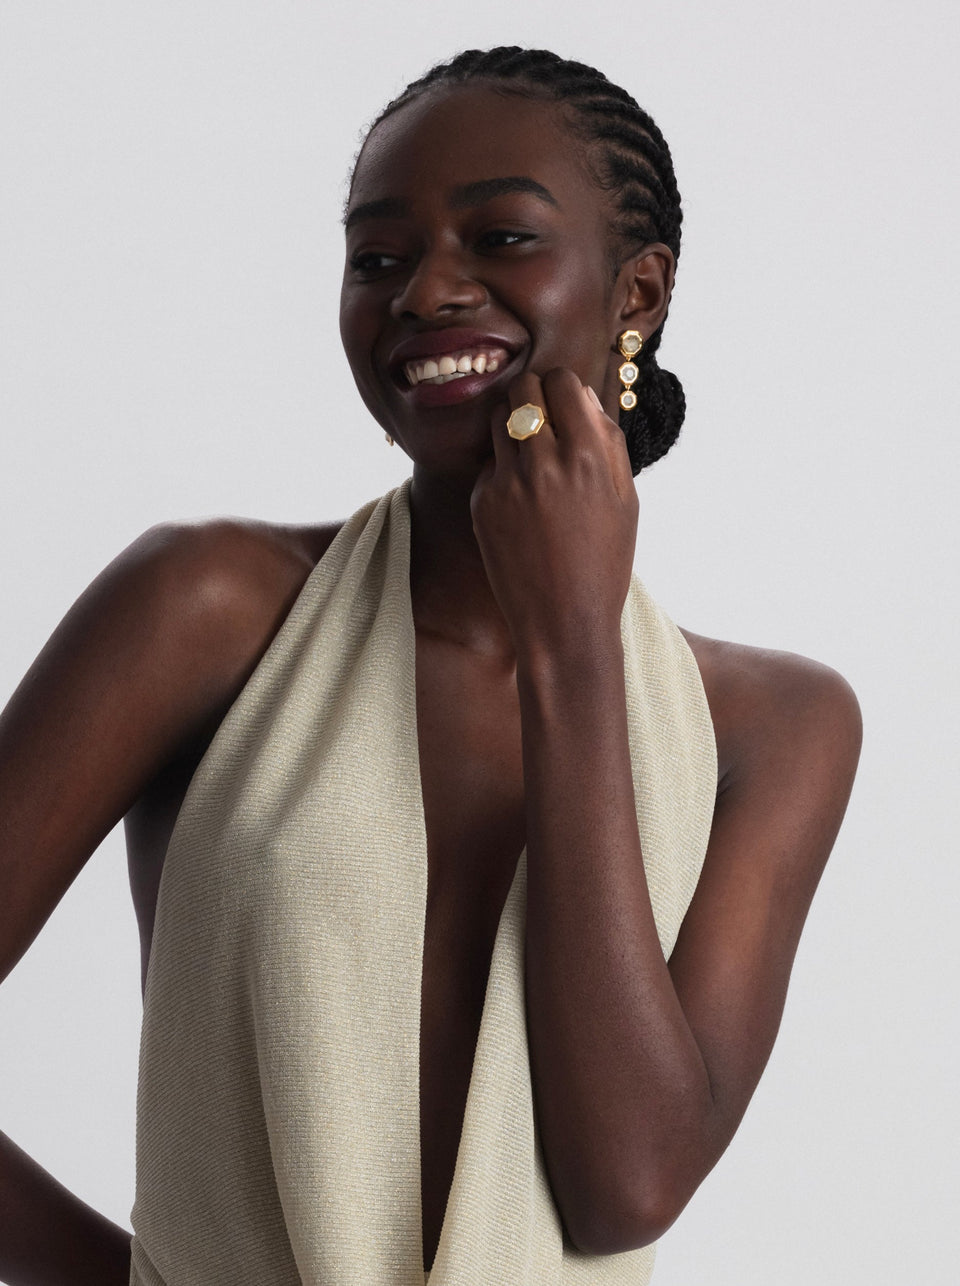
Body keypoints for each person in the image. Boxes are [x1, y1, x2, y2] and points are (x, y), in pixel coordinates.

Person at [0, 46, 861, 1286]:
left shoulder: (780, 726)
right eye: (380, 258)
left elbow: (627, 1185)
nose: (423, 293)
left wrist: (572, 644)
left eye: (500, 238)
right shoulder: (204, 611)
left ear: (640, 294)